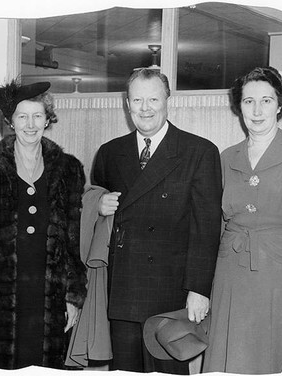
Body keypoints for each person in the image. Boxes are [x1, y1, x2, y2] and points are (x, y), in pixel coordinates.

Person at [0, 80, 87, 369]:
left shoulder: (68, 169)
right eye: (22, 116)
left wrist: (73, 296)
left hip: (47, 297)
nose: (30, 124)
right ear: (10, 121)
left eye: (38, 116)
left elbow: (72, 240)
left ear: (48, 119)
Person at [92, 68, 222, 374]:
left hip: (172, 291)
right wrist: (98, 204)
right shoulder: (110, 153)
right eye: (137, 100)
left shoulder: (198, 151)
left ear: (167, 101)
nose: (145, 107)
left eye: (153, 99)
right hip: (123, 290)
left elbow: (207, 228)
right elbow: (97, 206)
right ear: (127, 104)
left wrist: (199, 290)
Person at [203, 67, 282, 374]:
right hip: (231, 271)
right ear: (238, 106)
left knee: (269, 353)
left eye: (266, 101)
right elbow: (213, 222)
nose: (257, 111)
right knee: (228, 355)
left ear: (280, 104)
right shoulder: (226, 157)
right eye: (248, 101)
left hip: (278, 270)